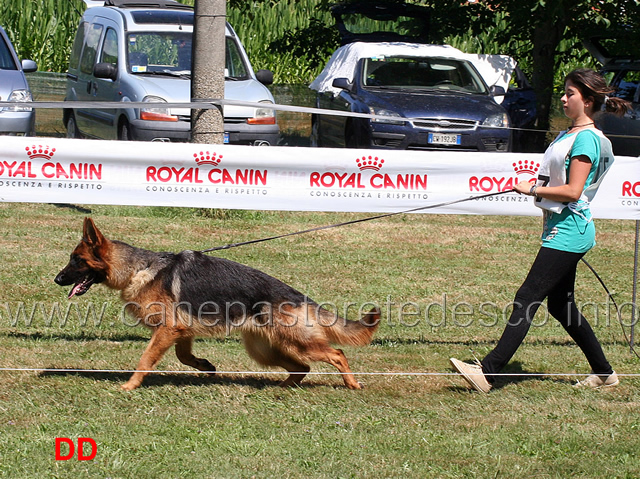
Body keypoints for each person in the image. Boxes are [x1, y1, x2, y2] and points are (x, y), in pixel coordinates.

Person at [450, 68, 631, 393]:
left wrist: (532, 189)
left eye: (570, 94)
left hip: (570, 229)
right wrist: (538, 187)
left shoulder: (587, 138)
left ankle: (488, 373)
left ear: (587, 101)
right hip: (563, 226)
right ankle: (604, 373)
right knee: (561, 306)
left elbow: (574, 191)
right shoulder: (573, 135)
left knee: (527, 297)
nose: (563, 98)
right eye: (564, 92)